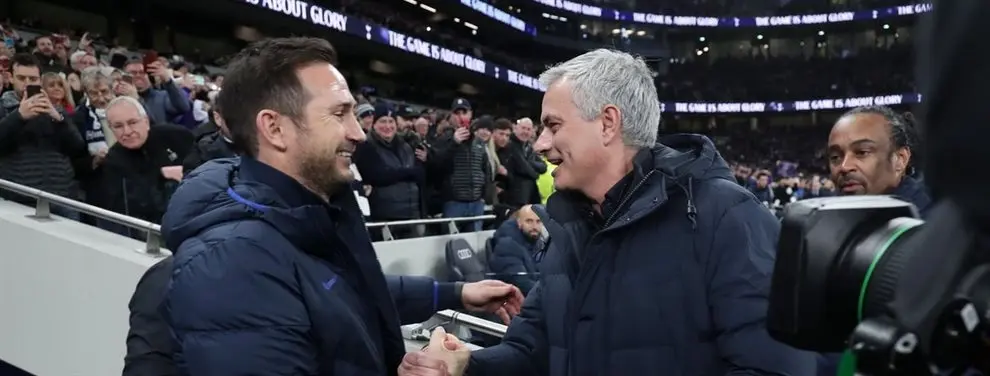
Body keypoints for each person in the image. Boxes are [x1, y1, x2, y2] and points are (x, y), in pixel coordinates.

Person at [399, 49, 814, 376]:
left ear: (608, 123)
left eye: (554, 125)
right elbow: (531, 352)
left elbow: (774, 366)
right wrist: (468, 366)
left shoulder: (727, 217)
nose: (540, 145)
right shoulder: (569, 230)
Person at [160, 37, 523, 375]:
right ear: (274, 129)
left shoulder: (309, 209)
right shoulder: (232, 264)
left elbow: (345, 293)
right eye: (339, 114)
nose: (358, 133)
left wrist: (455, 293)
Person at [827, 105, 930, 215]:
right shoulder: (822, 217)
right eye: (835, 157)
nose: (844, 166)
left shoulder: (931, 223)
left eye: (862, 152)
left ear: (900, 159)